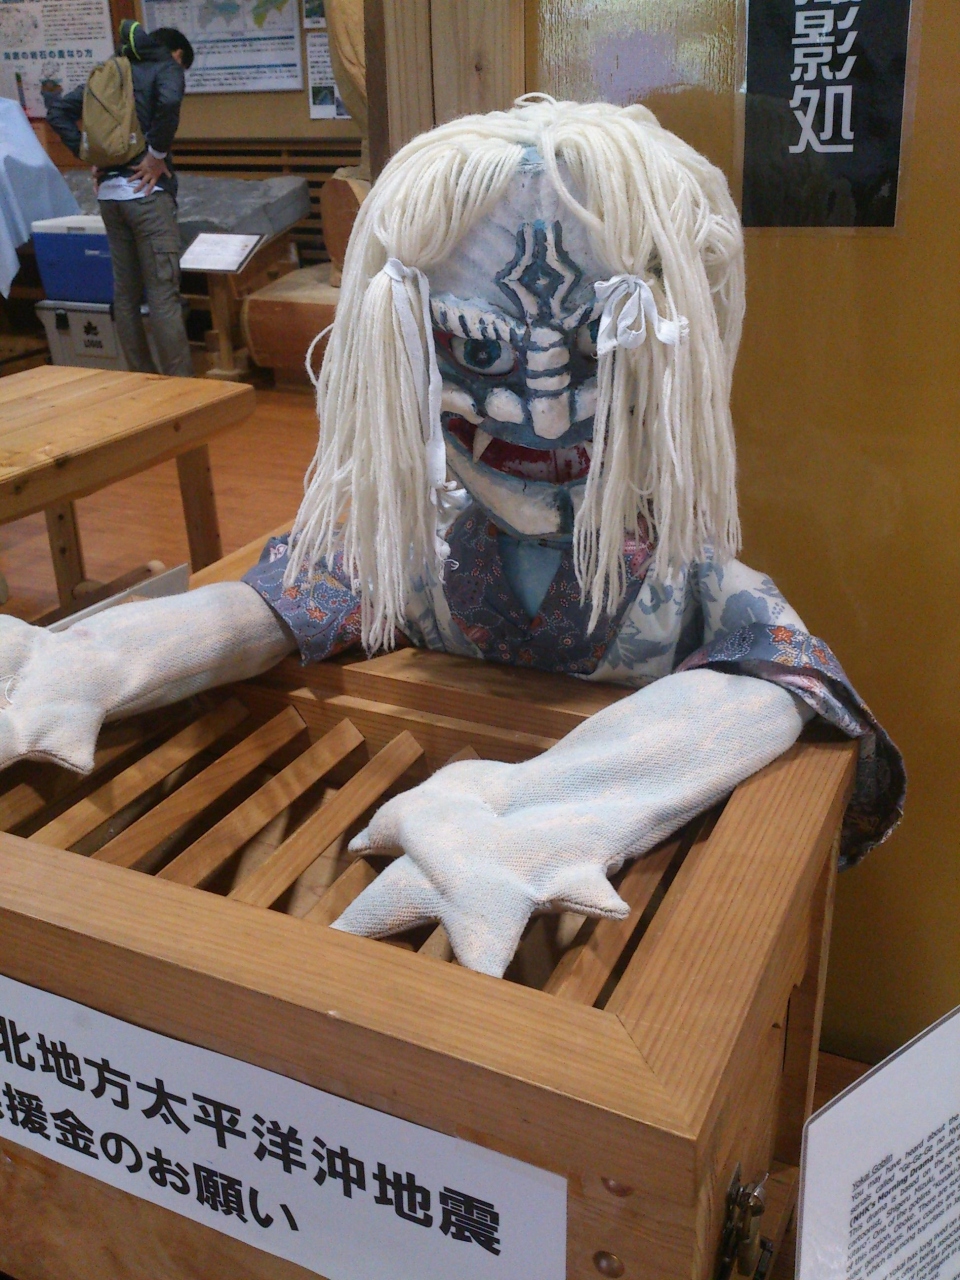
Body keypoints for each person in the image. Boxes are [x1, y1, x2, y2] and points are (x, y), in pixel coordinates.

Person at [0, 99, 904, 976]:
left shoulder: (679, 574)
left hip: (606, 899)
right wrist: (96, 663)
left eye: (598, 353)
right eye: (478, 352)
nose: (544, 415)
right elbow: (280, 603)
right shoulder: (421, 553)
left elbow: (778, 685)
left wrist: (525, 808)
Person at [45, 20, 195, 378]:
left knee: (125, 295)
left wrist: (89, 154)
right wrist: (156, 154)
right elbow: (170, 100)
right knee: (162, 295)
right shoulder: (165, 66)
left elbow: (58, 112)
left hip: (110, 199)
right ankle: (182, 388)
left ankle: (140, 379)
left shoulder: (113, 70)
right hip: (147, 197)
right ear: (176, 54)